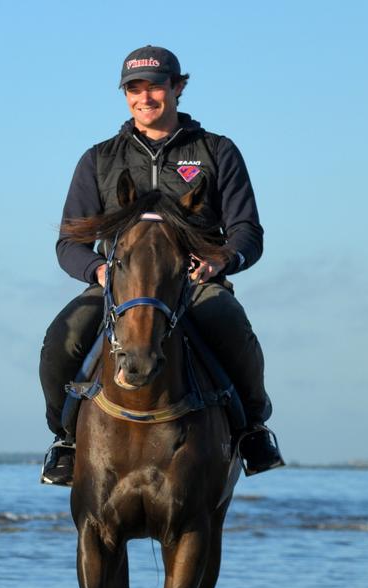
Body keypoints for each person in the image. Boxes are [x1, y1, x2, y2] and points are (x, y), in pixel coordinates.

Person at [38, 45, 284, 485]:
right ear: (125, 94)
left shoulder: (217, 151)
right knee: (65, 335)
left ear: (178, 88)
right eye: (134, 89)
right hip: (120, 286)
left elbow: (248, 232)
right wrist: (98, 270)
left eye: (155, 87)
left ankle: (253, 431)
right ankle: (65, 439)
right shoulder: (99, 159)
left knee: (231, 322)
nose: (145, 97)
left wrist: (220, 261)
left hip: (194, 285)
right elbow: (69, 243)